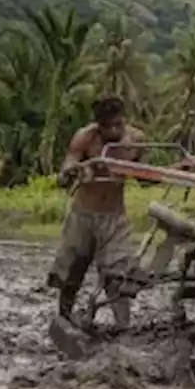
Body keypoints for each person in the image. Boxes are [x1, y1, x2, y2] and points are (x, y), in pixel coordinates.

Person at [46, 95, 146, 329]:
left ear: (125, 121)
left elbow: (146, 179)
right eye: (107, 126)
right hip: (83, 216)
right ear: (98, 125)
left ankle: (124, 328)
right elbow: (66, 170)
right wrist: (71, 172)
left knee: (118, 275)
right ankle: (63, 319)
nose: (114, 130)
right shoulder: (85, 139)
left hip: (114, 219)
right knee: (72, 272)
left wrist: (180, 168)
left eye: (118, 124)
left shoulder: (136, 141)